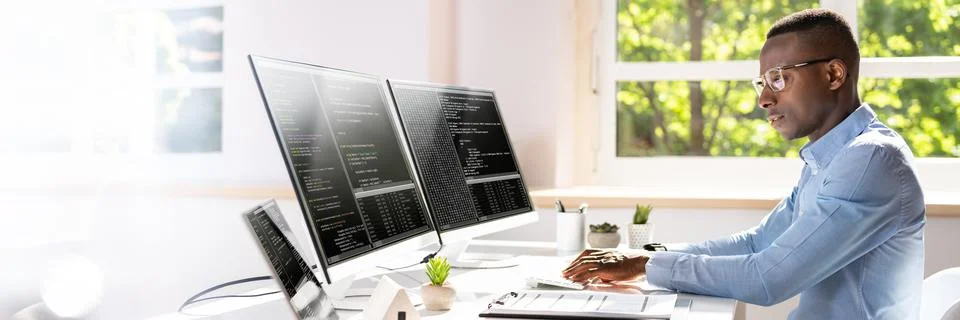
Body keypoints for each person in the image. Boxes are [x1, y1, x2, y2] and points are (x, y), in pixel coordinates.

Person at [563, 8, 925, 319]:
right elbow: (757, 243)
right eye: (762, 83)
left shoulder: (869, 160)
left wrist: (644, 266)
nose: (764, 99)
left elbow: (768, 278)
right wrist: (643, 256)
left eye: (779, 78)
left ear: (833, 74)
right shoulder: (830, 158)